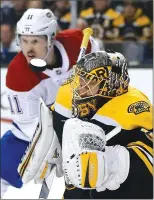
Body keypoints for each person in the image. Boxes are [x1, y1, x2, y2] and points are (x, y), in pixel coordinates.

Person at [0, 8, 100, 198]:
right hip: (37, 133)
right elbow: (29, 125)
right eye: (24, 41)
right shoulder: (17, 74)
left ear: (51, 38)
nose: (28, 49)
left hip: (87, 117)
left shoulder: (78, 42)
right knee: (2, 165)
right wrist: (62, 142)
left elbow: (104, 66)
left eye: (35, 41)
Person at [50, 50, 153, 199]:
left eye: (90, 82)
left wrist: (116, 164)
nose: (80, 89)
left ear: (111, 84)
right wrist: (51, 128)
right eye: (80, 80)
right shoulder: (78, 102)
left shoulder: (134, 110)